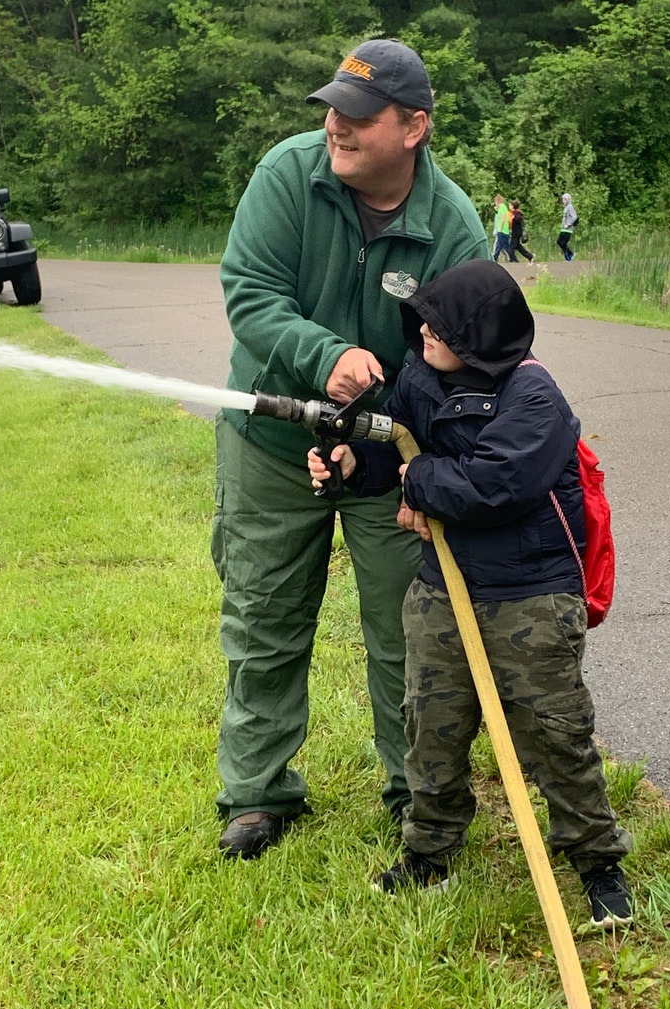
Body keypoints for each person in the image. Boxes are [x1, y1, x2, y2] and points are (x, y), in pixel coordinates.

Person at [213, 38, 490, 860]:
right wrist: (324, 355)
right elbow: (250, 293)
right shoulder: (286, 175)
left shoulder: (455, 229)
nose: (336, 125)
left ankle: (419, 792)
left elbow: (462, 367)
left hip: (389, 456)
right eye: (333, 107)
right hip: (270, 439)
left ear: (414, 128)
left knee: (407, 627)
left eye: (359, 116)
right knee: (263, 613)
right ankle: (259, 792)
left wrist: (389, 455)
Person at [308, 259, 634, 929]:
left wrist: (417, 481)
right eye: (424, 315)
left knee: (556, 734)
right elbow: (391, 449)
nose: (424, 327)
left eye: (442, 320)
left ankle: (599, 864)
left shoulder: (534, 397)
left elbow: (493, 484)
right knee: (430, 720)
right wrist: (347, 462)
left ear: (482, 333)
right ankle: (429, 852)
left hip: (530, 597)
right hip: (443, 586)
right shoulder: (422, 379)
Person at [508, 199, 535, 263]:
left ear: (513, 206)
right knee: (518, 247)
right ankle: (530, 256)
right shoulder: (514, 213)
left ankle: (513, 259)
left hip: (517, 232)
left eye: (510, 205)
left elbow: (519, 218)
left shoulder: (517, 213)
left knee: (512, 246)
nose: (509, 206)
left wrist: (513, 218)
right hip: (515, 232)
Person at [557, 193, 578, 261]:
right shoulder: (566, 207)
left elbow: (574, 217)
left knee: (563, 243)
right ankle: (570, 254)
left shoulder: (570, 206)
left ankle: (569, 256)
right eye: (563, 199)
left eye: (565, 199)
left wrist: (568, 224)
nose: (563, 201)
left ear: (568, 200)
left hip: (568, 229)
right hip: (564, 228)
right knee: (559, 242)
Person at [492, 194, 511, 261]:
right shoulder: (503, 207)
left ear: (497, 201)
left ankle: (494, 258)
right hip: (503, 230)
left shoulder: (502, 208)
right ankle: (511, 257)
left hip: (502, 230)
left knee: (500, 245)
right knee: (502, 245)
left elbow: (502, 219)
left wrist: (501, 229)